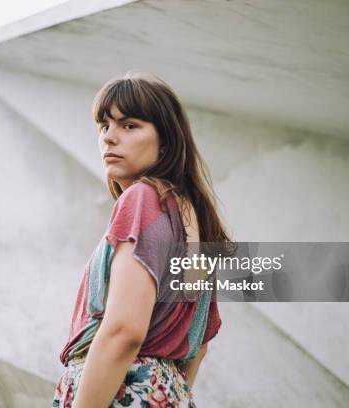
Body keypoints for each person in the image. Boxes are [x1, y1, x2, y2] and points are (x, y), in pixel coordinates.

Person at [52, 70, 233, 407]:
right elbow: (198, 347)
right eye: (104, 126)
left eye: (129, 125)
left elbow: (124, 332)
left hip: (117, 389)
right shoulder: (195, 224)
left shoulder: (142, 200)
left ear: (166, 140)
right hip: (167, 391)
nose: (109, 137)